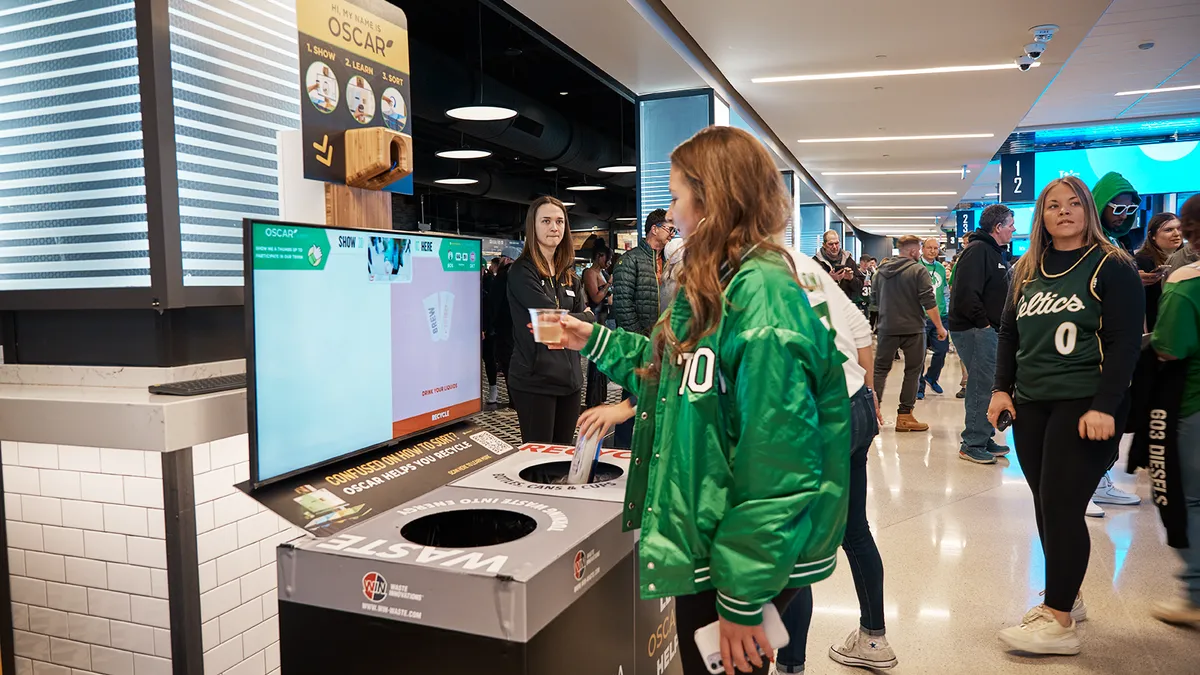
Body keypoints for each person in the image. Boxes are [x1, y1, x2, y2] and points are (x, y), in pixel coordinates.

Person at [556, 126, 849, 675]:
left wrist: (743, 594)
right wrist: (590, 338)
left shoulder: (760, 296)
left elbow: (779, 463)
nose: (672, 212)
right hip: (714, 529)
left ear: (710, 199)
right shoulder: (721, 281)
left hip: (738, 555)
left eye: (675, 196)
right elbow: (675, 371)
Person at [989, 176, 1144, 655]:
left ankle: (1057, 624)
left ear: (1088, 211)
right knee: (1045, 504)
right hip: (1033, 401)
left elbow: (1123, 343)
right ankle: (1066, 595)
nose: (1064, 211)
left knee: (1061, 505)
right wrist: (1000, 390)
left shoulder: (1112, 265)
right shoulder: (1027, 269)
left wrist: (1105, 404)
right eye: (1053, 205)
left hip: (1086, 403)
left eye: (1074, 203)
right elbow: (1009, 335)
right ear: (1042, 216)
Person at [775, 251, 895, 672]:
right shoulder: (803, 261)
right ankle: (874, 639)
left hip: (813, 418)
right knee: (855, 529)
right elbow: (859, 329)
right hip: (853, 404)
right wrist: (865, 389)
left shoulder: (741, 267)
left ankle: (790, 665)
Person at [1149, 195, 1200, 625]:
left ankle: (1195, 595)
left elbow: (1169, 346)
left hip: (1191, 405)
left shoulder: (1186, 283)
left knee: (1190, 500)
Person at [506, 197, 594, 444]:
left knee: (563, 458)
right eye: (546, 221)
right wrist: (584, 315)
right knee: (540, 466)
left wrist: (580, 320)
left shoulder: (569, 275)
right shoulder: (522, 271)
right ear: (533, 226)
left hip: (571, 381)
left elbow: (586, 328)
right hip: (535, 381)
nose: (554, 228)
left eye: (559, 221)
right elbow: (550, 320)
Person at [948, 206, 1015, 464]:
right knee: (981, 382)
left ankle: (983, 435)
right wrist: (984, 324)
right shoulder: (977, 251)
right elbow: (966, 294)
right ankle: (972, 442)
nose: (1014, 229)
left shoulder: (993, 252)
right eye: (1010, 224)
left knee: (988, 382)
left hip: (985, 329)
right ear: (997, 227)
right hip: (974, 330)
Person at [610, 208, 674, 447]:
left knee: (660, 400)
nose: (672, 234)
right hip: (638, 344)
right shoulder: (631, 260)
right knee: (630, 397)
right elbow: (623, 306)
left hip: (663, 345)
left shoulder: (669, 261)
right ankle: (622, 450)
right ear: (654, 229)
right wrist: (641, 342)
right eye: (669, 229)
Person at [873, 235, 946, 432]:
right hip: (913, 329)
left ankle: (871, 413)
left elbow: (874, 300)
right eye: (920, 248)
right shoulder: (918, 270)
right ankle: (905, 416)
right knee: (912, 372)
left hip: (887, 327)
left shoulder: (879, 272)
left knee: (880, 370)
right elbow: (929, 302)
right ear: (913, 250)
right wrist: (940, 328)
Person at [1134, 213, 1182, 331]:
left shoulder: (1186, 258)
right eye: (1169, 230)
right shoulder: (1142, 261)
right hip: (1157, 328)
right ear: (1152, 236)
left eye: (1179, 228)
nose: (1176, 234)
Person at [916, 238, 950, 400]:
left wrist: (947, 310)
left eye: (936, 248)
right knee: (919, 354)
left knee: (942, 351)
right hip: (920, 317)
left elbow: (944, 291)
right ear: (922, 249)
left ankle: (931, 377)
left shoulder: (941, 269)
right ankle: (919, 387)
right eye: (929, 247)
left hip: (940, 317)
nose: (932, 251)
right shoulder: (916, 267)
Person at [584, 244, 613, 409]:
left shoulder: (602, 273)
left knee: (602, 357)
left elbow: (607, 299)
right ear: (599, 256)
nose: (608, 263)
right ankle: (593, 399)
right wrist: (608, 285)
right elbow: (595, 297)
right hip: (595, 317)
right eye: (606, 259)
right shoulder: (590, 273)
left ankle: (600, 396)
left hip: (605, 317)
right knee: (595, 357)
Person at [488, 246, 521, 395]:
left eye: (501, 257)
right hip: (519, 327)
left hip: (504, 328)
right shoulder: (522, 276)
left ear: (506, 259)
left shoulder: (502, 276)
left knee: (508, 363)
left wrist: (488, 326)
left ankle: (514, 400)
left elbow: (494, 304)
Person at [1093, 171, 1141, 246]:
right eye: (1119, 209)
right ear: (1101, 206)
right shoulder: (1085, 243)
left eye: (1130, 209)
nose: (1124, 216)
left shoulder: (1123, 240)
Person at [814, 230, 864, 299]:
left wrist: (851, 279)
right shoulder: (815, 262)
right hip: (826, 306)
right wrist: (829, 279)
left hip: (846, 306)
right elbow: (811, 290)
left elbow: (860, 288)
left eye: (836, 243)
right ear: (824, 245)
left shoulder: (849, 261)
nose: (834, 247)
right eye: (830, 244)